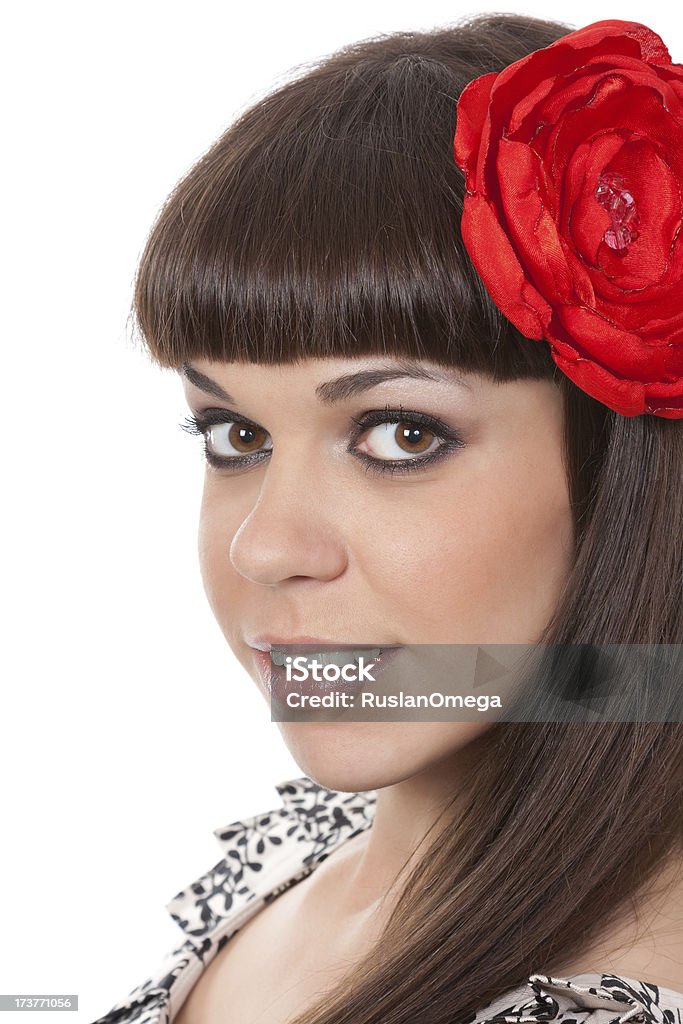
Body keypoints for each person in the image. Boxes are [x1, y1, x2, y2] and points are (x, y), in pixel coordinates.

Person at [90, 11, 683, 1024]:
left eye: (398, 434)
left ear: (626, 474)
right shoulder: (306, 865)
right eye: (233, 435)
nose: (264, 546)